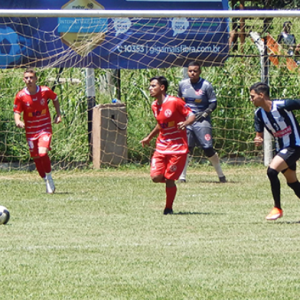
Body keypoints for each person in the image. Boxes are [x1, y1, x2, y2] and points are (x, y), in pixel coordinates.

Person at [140, 76, 195, 215]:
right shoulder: (154, 105)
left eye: (153, 86)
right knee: (156, 177)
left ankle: (168, 208)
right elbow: (161, 124)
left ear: (162, 87)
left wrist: (185, 123)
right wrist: (149, 137)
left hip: (177, 147)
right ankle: (171, 181)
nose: (150, 88)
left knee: (169, 179)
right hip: (161, 146)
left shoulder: (175, 102)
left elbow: (191, 115)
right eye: (150, 86)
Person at [250, 82, 300, 220]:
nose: (251, 99)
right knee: (292, 182)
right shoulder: (259, 114)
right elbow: (258, 134)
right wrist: (257, 139)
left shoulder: (283, 105)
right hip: (281, 148)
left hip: (295, 145)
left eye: (252, 96)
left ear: (261, 95)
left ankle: (277, 208)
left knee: (272, 171)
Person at [13, 68, 62, 194]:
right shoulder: (20, 96)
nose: (29, 80)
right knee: (36, 158)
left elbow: (55, 98)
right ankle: (45, 179)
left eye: (31, 77)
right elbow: (17, 111)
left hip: (44, 127)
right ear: (24, 80)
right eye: (27, 78)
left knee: (42, 153)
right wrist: (18, 121)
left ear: (36, 79)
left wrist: (58, 114)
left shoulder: (45, 91)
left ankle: (50, 177)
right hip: (30, 130)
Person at [178, 61, 226, 183]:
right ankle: (182, 177)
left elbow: (213, 103)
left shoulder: (206, 85)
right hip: (187, 120)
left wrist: (205, 113)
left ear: (200, 72)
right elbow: (179, 102)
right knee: (186, 148)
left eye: (195, 71)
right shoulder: (182, 84)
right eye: (190, 71)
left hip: (201, 120)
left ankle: (221, 175)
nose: (192, 73)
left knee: (208, 147)